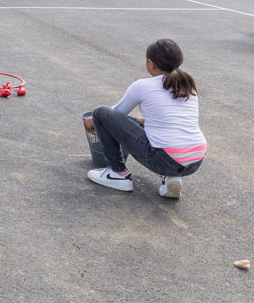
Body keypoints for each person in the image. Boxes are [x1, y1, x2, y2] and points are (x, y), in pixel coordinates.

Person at [83, 39, 206, 199]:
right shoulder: (187, 86)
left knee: (100, 112)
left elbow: (114, 114)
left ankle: (117, 172)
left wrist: (93, 119)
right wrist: (140, 120)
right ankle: (172, 177)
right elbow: (173, 122)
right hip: (195, 160)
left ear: (150, 63)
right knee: (169, 141)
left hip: (163, 158)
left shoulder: (142, 86)